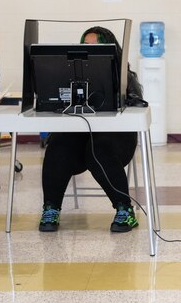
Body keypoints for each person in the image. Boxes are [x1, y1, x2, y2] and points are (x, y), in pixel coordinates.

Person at [38, 26, 145, 233]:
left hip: (115, 142)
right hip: (80, 138)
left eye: (97, 47)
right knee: (58, 145)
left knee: (98, 150)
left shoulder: (124, 76)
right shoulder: (70, 75)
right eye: (86, 47)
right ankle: (50, 208)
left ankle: (125, 210)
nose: (90, 51)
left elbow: (135, 107)